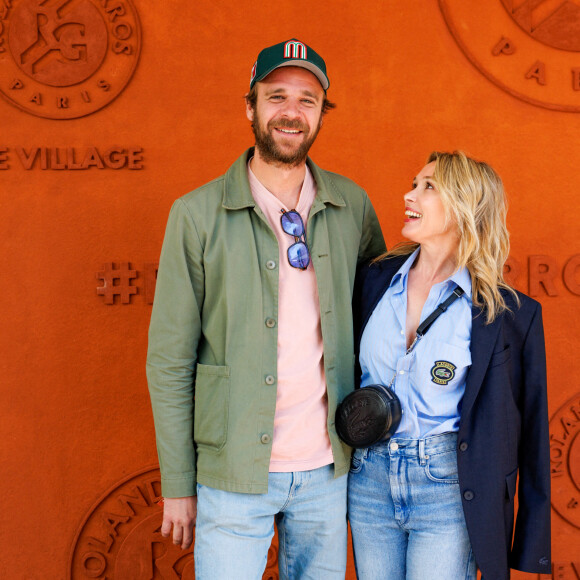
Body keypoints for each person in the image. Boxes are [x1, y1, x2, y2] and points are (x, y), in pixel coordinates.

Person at [146, 38, 386, 579]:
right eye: (276, 96)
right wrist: (179, 484)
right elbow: (168, 361)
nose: (291, 112)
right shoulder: (196, 214)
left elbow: (381, 324)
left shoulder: (353, 205)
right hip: (233, 474)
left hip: (329, 469)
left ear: (322, 113)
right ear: (250, 107)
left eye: (307, 100)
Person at [347, 151, 550, 580]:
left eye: (428, 186)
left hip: (447, 488)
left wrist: (531, 543)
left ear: (465, 206)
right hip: (368, 479)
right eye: (414, 182)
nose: (409, 194)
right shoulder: (373, 279)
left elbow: (529, 431)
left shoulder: (509, 315)